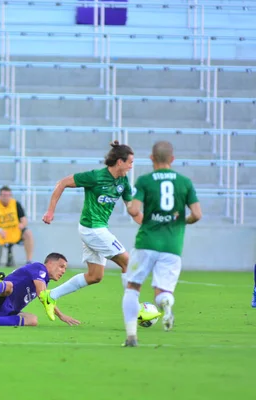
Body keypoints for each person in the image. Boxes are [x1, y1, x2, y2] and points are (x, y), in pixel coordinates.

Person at [40, 141, 143, 316]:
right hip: (93, 230)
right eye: (130, 162)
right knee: (128, 262)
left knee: (95, 276)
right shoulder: (95, 176)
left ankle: (51, 295)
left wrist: (151, 225)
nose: (132, 166)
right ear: (120, 162)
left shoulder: (123, 182)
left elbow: (133, 211)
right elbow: (63, 183)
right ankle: (134, 309)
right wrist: (50, 211)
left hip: (96, 230)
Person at [122, 141, 202, 347]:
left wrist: (133, 205)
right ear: (172, 159)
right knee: (163, 291)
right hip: (172, 245)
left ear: (151, 158)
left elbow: (133, 210)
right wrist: (182, 221)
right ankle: (166, 305)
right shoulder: (185, 182)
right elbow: (197, 214)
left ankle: (131, 336)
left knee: (133, 287)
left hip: (146, 241)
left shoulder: (145, 181)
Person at [0, 253, 80, 327]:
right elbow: (43, 296)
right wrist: (60, 315)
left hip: (2, 310)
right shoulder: (39, 268)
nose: (63, 271)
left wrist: (61, 315)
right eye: (61, 266)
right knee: (9, 287)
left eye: (65, 269)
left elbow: (47, 299)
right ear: (49, 263)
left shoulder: (44, 281)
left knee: (33, 320)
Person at [0, 186, 34, 266]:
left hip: (15, 232)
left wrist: (22, 225)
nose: (6, 197)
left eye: (8, 195)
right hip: (0, 233)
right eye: (4, 195)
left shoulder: (16, 204)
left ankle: (29, 261)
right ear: (0, 196)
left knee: (28, 233)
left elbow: (24, 220)